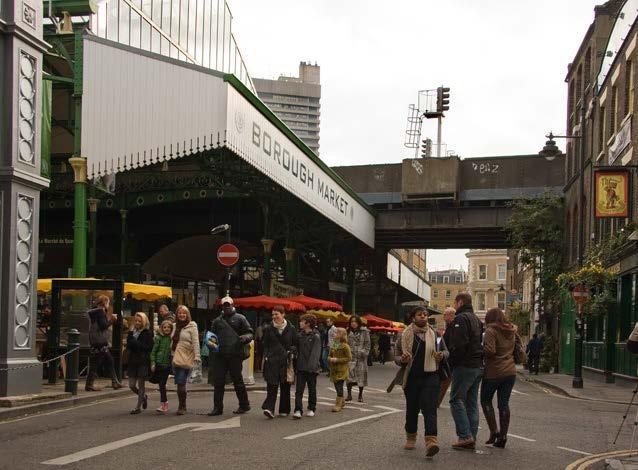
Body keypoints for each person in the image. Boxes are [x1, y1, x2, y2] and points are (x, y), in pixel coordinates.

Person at [395, 306, 448, 456]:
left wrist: (442, 355)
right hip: (411, 377)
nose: (423, 316)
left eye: (425, 314)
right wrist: (402, 359)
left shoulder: (436, 334)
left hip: (431, 376)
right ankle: (411, 437)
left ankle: (431, 441)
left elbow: (446, 351)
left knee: (430, 409)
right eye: (420, 314)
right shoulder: (404, 334)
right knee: (412, 409)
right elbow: (397, 355)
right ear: (413, 317)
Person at [447, 292, 484, 450]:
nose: (454, 306)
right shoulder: (476, 319)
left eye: (455, 303)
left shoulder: (461, 319)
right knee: (471, 403)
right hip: (477, 365)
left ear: (460, 302)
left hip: (465, 365)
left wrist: (452, 362)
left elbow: (459, 345)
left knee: (456, 400)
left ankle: (464, 436)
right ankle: (471, 437)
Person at [207, 296, 253, 416]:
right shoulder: (217, 321)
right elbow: (212, 337)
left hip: (235, 355)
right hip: (220, 356)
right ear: (222, 306)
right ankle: (217, 408)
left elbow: (250, 332)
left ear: (232, 305)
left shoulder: (240, 318)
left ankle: (244, 405)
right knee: (218, 383)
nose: (226, 307)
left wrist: (245, 337)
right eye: (224, 305)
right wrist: (211, 346)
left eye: (228, 304)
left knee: (238, 381)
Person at [481, 308, 519, 449]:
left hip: (493, 372)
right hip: (510, 371)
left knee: (485, 400)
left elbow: (490, 351)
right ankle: (503, 436)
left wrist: (481, 349)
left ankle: (494, 431)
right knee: (503, 404)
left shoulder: (491, 331)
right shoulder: (512, 330)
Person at [261, 305, 297, 419]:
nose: (274, 316)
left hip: (286, 360)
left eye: (276, 314)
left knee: (285, 386)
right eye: (273, 314)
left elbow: (295, 344)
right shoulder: (268, 328)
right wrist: (266, 356)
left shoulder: (291, 328)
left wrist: (292, 350)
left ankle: (284, 409)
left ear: (283, 314)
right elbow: (265, 344)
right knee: (271, 385)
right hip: (272, 360)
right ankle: (269, 409)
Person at [85, 295, 122, 391]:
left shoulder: (94, 312)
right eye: (108, 303)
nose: (108, 305)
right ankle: (89, 385)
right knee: (96, 364)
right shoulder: (100, 311)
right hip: (100, 343)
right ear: (105, 303)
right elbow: (103, 325)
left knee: (109, 360)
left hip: (95, 342)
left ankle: (115, 382)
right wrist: (112, 320)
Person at [172, 305, 201, 415]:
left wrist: (197, 356)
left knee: (181, 381)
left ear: (187, 315)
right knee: (179, 382)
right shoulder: (174, 326)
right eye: (180, 313)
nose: (182, 315)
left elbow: (196, 342)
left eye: (184, 313)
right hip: (174, 357)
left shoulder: (192, 326)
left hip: (186, 357)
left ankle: (182, 406)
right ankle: (181, 404)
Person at [294, 313, 321, 419]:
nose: (300, 323)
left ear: (308, 323)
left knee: (312, 389)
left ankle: (311, 408)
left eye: (302, 321)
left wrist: (311, 367)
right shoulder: (299, 335)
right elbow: (296, 349)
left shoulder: (316, 336)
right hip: (300, 366)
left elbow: (315, 354)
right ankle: (298, 409)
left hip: (312, 369)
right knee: (299, 390)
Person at [126, 312, 154, 414]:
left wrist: (135, 342)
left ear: (144, 322)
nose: (137, 323)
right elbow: (128, 345)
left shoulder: (148, 333)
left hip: (142, 361)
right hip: (132, 361)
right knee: (131, 385)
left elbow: (148, 347)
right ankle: (143, 396)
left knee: (141, 385)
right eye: (136, 321)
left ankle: (138, 407)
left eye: (139, 321)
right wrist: (130, 332)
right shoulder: (132, 332)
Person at [151, 320, 174, 413]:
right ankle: (163, 403)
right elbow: (153, 352)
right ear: (161, 328)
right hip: (159, 364)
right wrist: (153, 363)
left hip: (167, 366)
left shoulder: (171, 339)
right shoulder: (158, 338)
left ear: (171, 329)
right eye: (164, 327)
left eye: (168, 327)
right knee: (160, 384)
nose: (166, 329)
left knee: (162, 384)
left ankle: (164, 404)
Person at [346, 316, 371, 403]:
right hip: (351, 358)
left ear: (358, 323)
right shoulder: (347, 331)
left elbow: (368, 345)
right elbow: (344, 343)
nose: (353, 323)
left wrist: (362, 352)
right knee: (349, 377)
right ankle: (349, 395)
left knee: (361, 377)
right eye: (352, 322)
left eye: (355, 322)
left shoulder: (365, 332)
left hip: (361, 358)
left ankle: (360, 395)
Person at [329, 327, 352, 412]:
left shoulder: (345, 346)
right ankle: (342, 401)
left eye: (337, 333)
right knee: (336, 386)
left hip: (342, 370)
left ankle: (338, 404)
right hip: (334, 370)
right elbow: (329, 355)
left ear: (341, 335)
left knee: (339, 387)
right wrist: (330, 359)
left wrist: (337, 360)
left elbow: (349, 358)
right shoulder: (334, 344)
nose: (335, 334)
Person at [438, 307, 456, 407]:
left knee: (445, 382)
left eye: (445, 314)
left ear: (451, 315)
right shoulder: (450, 326)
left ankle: (436, 402)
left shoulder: (453, 327)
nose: (443, 316)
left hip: (449, 361)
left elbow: (449, 344)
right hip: (446, 359)